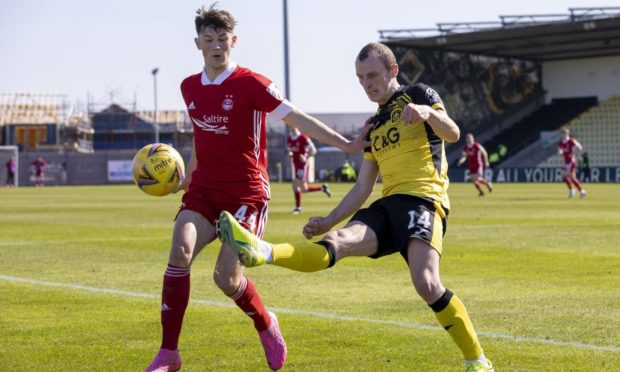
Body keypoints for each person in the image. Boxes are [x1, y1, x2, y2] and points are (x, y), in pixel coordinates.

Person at [220, 42, 493, 372]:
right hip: (386, 205)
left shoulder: (419, 94)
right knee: (336, 242)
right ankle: (263, 251)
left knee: (426, 282)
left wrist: (428, 113)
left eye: (373, 76)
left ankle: (476, 361)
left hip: (423, 200)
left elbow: (453, 133)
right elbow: (363, 186)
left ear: (393, 71)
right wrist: (329, 219)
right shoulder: (374, 124)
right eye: (361, 78)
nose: (367, 84)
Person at [144, 4, 369, 372]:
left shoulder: (252, 84)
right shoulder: (189, 87)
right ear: (197, 42)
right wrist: (188, 177)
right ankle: (169, 353)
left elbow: (297, 117)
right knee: (179, 251)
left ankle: (266, 322)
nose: (217, 46)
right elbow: (203, 137)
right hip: (204, 191)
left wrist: (344, 144)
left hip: (247, 194)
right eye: (209, 39)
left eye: (222, 39)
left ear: (233, 41)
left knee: (225, 277)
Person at [287, 127, 331, 214]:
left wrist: (306, 157)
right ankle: (322, 188)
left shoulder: (303, 137)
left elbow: (313, 150)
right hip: (296, 165)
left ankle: (298, 208)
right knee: (304, 189)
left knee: (295, 185)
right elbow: (290, 150)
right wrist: (291, 154)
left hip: (302, 165)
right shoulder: (289, 138)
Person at [558, 128, 586, 198]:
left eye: (563, 133)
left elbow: (580, 147)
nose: (561, 135)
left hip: (572, 161)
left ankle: (580, 191)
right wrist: (561, 152)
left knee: (571, 176)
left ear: (566, 134)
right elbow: (560, 151)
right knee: (564, 176)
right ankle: (575, 190)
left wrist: (573, 153)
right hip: (567, 162)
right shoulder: (560, 143)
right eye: (561, 134)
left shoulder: (571, 140)